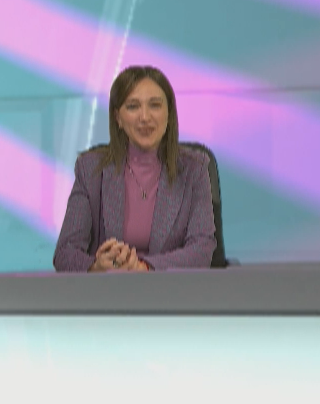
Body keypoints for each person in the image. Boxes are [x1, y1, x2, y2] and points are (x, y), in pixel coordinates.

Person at [53, 65, 217, 272]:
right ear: (118, 118)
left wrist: (144, 267)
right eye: (133, 106)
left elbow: (202, 249)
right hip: (108, 288)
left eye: (155, 105)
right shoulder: (90, 170)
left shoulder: (195, 170)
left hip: (170, 288)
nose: (145, 117)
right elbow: (65, 253)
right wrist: (96, 267)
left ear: (169, 114)